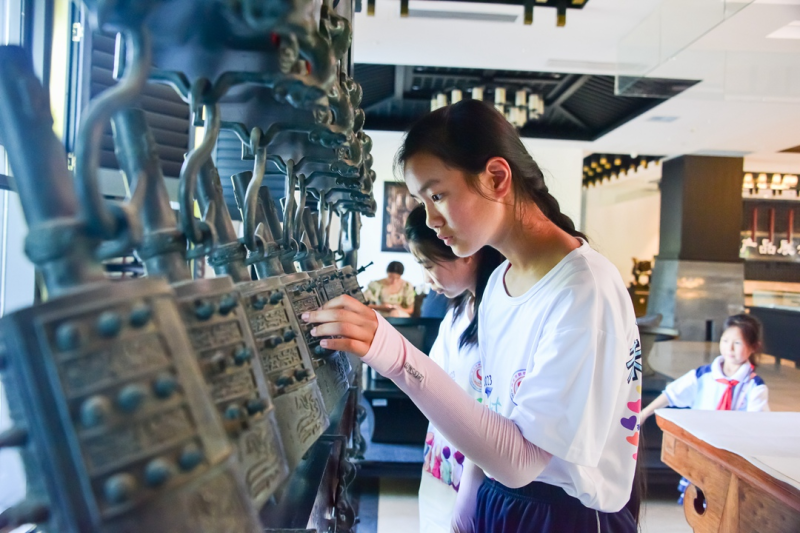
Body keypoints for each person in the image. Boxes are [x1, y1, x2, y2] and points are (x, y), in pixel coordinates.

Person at [303, 99, 641, 532]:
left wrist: (396, 356)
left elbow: (522, 461)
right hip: (501, 500)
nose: (431, 219)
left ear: (496, 178)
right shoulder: (501, 281)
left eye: (438, 195)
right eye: (423, 201)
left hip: (560, 514)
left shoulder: (583, 290)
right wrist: (472, 492)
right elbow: (496, 416)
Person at [405, 204, 505, 532]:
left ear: (464, 251)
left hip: (477, 468)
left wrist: (471, 488)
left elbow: (496, 414)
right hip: (444, 458)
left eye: (428, 264)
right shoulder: (459, 310)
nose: (426, 278)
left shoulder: (499, 316)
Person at [640, 313, 769, 504]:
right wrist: (644, 413)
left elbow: (759, 422)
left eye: (738, 343)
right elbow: (672, 394)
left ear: (754, 346)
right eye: (725, 340)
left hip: (732, 454)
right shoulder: (704, 375)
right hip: (702, 449)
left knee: (724, 500)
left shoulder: (754, 386)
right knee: (697, 499)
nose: (729, 348)